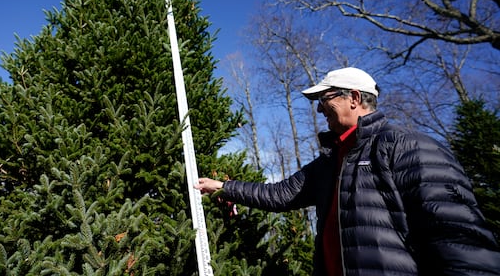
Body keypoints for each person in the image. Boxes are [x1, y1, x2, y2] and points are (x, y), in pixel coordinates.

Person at [195, 67, 500, 275]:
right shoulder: (330, 162)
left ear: (354, 98)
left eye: (324, 99)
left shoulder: (404, 147)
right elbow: (281, 194)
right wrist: (224, 187)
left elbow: (459, 238)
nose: (318, 109)